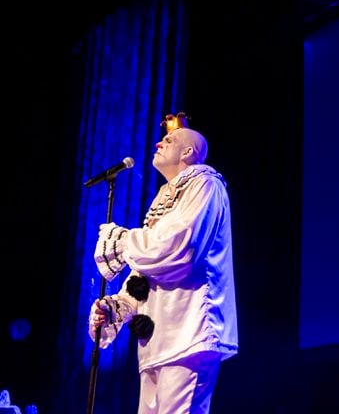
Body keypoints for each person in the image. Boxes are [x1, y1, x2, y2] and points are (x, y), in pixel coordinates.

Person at [88, 114, 238, 413]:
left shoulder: (204, 183)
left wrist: (123, 240)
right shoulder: (164, 197)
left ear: (187, 152)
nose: (158, 142)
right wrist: (119, 305)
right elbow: (148, 271)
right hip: (159, 338)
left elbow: (181, 248)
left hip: (189, 329)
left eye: (168, 140)